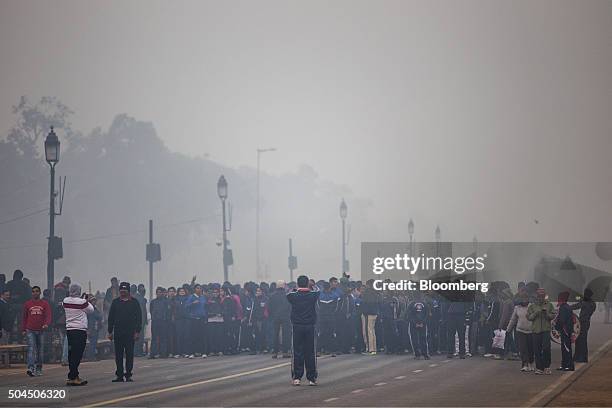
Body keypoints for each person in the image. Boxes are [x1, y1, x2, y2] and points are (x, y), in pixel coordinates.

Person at [287, 275, 320, 386]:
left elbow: (288, 292)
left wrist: (296, 288)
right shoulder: (313, 295)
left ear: (297, 284)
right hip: (310, 326)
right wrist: (312, 285)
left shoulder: (293, 296)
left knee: (297, 352)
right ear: (307, 284)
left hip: (297, 326)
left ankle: (297, 377)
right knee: (310, 352)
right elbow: (318, 290)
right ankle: (311, 378)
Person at [107, 282, 142, 382]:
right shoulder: (115, 302)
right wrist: (110, 331)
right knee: (118, 355)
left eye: (124, 290)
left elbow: (139, 318)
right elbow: (111, 318)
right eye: (121, 290)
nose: (122, 292)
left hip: (130, 333)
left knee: (129, 354)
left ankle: (128, 375)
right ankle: (119, 375)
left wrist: (137, 332)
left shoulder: (134, 302)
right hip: (118, 332)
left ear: (128, 291)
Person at [63, 284, 94, 386]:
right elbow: (91, 310)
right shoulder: (82, 302)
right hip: (80, 330)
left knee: (72, 353)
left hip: (69, 330)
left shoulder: (65, 301)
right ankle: (73, 376)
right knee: (78, 354)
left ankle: (72, 375)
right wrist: (86, 300)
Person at [22, 286, 51, 376]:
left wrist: (46, 324)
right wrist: (23, 329)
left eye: (37, 291)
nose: (35, 293)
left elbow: (48, 315)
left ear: (40, 292)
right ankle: (31, 368)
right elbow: (24, 317)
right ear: (32, 293)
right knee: (31, 349)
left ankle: (39, 368)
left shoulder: (45, 304)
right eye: (33, 291)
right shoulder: (27, 304)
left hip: (41, 330)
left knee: (40, 350)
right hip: (30, 329)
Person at [527, 287, 555, 375]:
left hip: (546, 330)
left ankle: (547, 366)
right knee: (537, 349)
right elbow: (529, 317)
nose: (541, 298)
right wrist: (536, 313)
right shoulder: (532, 306)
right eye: (539, 296)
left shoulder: (549, 305)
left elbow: (553, 316)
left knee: (546, 348)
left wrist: (546, 314)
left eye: (542, 296)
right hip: (536, 330)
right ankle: (539, 367)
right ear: (537, 296)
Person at [507, 292, 533, 371]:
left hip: (531, 331)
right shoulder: (517, 307)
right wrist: (508, 329)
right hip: (520, 330)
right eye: (522, 298)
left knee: (531, 349)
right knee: (522, 348)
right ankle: (524, 364)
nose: (524, 300)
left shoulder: (532, 307)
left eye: (525, 298)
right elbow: (513, 319)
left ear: (528, 299)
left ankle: (531, 363)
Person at [571, 288, 596, 363]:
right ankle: (579, 357)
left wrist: (566, 307)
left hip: (582, 323)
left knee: (581, 340)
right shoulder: (593, 304)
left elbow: (576, 306)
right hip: (585, 322)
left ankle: (581, 357)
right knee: (581, 340)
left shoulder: (585, 302)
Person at [268, 281, 291, 358]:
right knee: (286, 334)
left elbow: (269, 308)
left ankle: (275, 352)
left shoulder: (272, 296)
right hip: (286, 317)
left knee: (275, 334)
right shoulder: (287, 295)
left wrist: (273, 314)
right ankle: (285, 352)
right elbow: (290, 307)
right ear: (284, 286)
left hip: (275, 317)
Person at [406, 291, 430, 359]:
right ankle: (425, 355)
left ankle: (417, 355)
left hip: (413, 324)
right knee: (424, 339)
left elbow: (408, 315)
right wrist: (423, 322)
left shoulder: (411, 304)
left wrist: (415, 323)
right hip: (423, 324)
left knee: (414, 340)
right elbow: (427, 314)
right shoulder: (424, 304)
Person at [186, 284, 207, 358]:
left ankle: (203, 352)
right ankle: (192, 352)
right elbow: (186, 306)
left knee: (202, 336)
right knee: (193, 336)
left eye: (200, 288)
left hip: (201, 319)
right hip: (193, 319)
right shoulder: (191, 297)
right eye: (197, 288)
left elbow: (205, 307)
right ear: (195, 289)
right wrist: (192, 303)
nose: (199, 289)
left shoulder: (203, 297)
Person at [555, 291, 574, 371]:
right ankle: (564, 365)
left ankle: (569, 365)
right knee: (565, 348)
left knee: (566, 348)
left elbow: (562, 320)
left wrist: (557, 326)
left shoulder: (563, 308)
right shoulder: (567, 307)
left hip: (565, 330)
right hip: (567, 330)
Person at [360, 280, 380, 355]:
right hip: (374, 313)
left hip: (367, 314)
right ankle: (374, 348)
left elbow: (365, 304)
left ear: (368, 285)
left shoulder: (367, 293)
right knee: (372, 331)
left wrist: (363, 312)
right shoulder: (376, 293)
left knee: (368, 332)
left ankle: (369, 349)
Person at [149, 287, 170, 359]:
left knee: (163, 338)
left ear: (162, 293)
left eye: (160, 292)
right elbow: (151, 310)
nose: (159, 294)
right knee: (154, 338)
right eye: (158, 292)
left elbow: (168, 312)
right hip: (155, 322)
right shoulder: (153, 302)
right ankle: (152, 354)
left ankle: (163, 353)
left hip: (163, 322)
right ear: (156, 293)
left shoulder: (165, 302)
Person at [86, 296, 103, 361]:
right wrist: (88, 330)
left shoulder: (93, 308)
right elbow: (98, 316)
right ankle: (91, 357)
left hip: (94, 328)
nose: (94, 302)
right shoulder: (91, 309)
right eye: (93, 300)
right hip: (92, 329)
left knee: (93, 343)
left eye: (95, 300)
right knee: (92, 343)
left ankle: (91, 356)